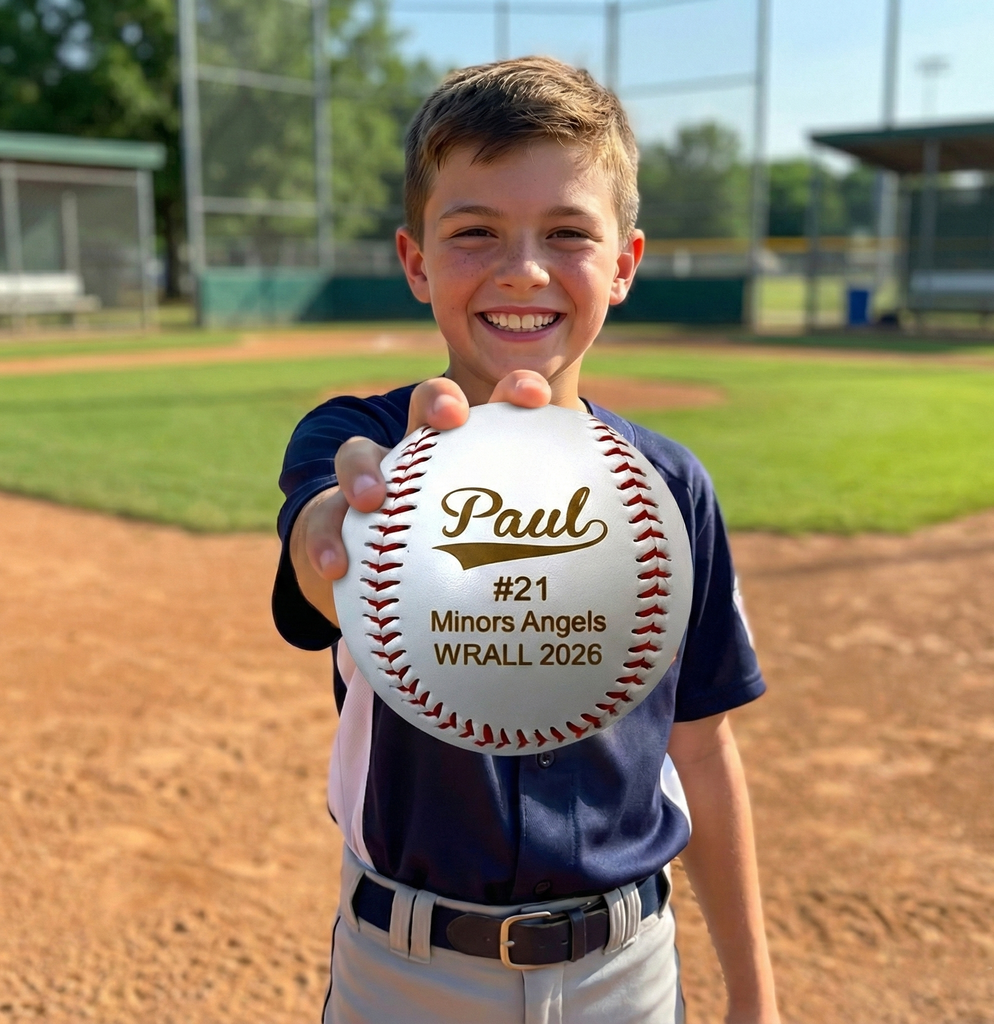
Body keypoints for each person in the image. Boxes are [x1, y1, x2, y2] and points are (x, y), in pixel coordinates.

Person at [273, 56, 779, 1024]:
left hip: (625, 971)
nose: (522, 269)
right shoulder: (359, 446)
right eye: (474, 233)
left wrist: (755, 999)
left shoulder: (669, 490)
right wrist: (346, 524)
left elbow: (704, 752)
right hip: (407, 971)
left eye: (566, 233)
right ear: (416, 259)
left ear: (624, 264)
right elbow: (315, 549)